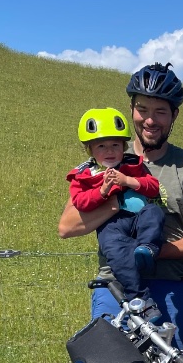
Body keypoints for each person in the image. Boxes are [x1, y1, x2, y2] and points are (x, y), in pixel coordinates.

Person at [58, 63, 183, 362]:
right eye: (143, 109)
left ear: (175, 115)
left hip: (171, 285)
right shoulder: (105, 156)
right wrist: (116, 202)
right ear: (131, 109)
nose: (150, 120)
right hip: (114, 286)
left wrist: (156, 251)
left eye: (161, 112)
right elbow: (67, 226)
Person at [67, 108, 164, 304]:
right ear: (90, 150)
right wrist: (102, 191)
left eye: (115, 145)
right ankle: (140, 299)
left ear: (124, 146)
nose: (109, 151)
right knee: (116, 252)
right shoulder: (85, 175)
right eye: (101, 146)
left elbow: (153, 187)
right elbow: (80, 202)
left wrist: (128, 180)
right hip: (111, 226)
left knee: (154, 212)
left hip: (138, 220)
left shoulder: (133, 165)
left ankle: (147, 249)